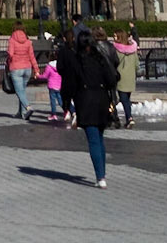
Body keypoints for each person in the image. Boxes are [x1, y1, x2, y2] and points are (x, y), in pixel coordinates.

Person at [59, 27, 117, 188]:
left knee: (93, 140)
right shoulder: (100, 58)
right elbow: (112, 79)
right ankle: (102, 174)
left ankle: (100, 176)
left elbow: (69, 84)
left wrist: (66, 102)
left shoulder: (76, 60)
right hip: (101, 100)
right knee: (99, 138)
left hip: (84, 101)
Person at [5, 25, 40, 119]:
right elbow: (32, 57)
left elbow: (11, 54)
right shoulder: (28, 41)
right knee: (22, 91)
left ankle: (28, 107)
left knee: (19, 91)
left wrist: (8, 53)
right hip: (27, 68)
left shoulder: (12, 40)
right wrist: (36, 70)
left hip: (16, 68)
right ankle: (21, 113)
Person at [113, 27, 138, 126]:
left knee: (123, 100)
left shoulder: (116, 49)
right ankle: (129, 117)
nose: (114, 38)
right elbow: (137, 64)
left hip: (120, 77)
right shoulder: (133, 49)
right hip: (130, 78)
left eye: (115, 36)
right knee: (127, 99)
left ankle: (129, 117)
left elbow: (114, 63)